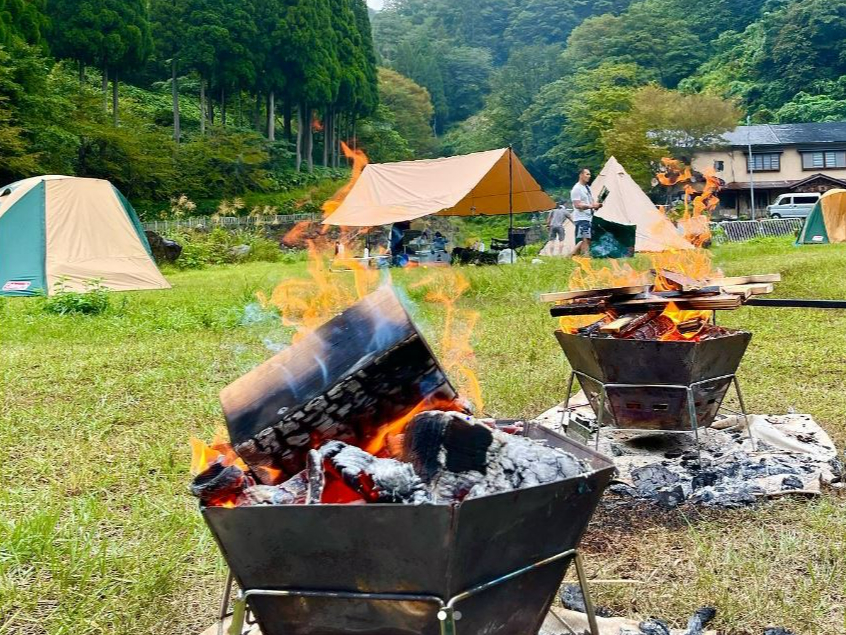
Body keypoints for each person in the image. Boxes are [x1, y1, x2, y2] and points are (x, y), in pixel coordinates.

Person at [570, 168, 602, 256]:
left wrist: (596, 205)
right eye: (587, 174)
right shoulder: (576, 188)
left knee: (587, 239)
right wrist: (591, 206)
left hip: (589, 217)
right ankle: (585, 256)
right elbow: (577, 205)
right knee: (584, 239)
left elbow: (591, 203)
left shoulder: (587, 188)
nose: (589, 176)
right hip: (581, 218)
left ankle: (573, 256)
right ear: (581, 175)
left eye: (590, 174)